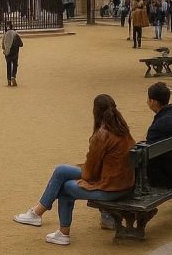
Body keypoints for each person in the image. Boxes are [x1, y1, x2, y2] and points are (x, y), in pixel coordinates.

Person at [13, 94, 136, 246]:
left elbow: (90, 174)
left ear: (95, 112)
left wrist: (81, 172)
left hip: (109, 187)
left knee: (65, 187)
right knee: (61, 170)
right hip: (123, 183)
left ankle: (61, 232)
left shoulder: (102, 135)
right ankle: (37, 213)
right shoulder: (123, 130)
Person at [2, 21, 24, 87]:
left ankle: (8, 80)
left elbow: (3, 45)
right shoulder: (16, 34)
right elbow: (21, 44)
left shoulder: (5, 34)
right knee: (15, 65)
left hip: (7, 53)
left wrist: (5, 50)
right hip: (15, 52)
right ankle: (13, 76)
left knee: (8, 66)